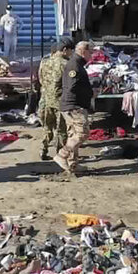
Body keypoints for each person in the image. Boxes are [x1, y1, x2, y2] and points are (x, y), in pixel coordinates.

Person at [54, 41, 94, 175]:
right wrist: (90, 93)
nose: (92, 55)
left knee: (72, 134)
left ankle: (73, 165)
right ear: (83, 51)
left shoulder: (76, 64)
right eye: (91, 52)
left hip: (71, 105)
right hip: (74, 106)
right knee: (82, 133)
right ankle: (62, 155)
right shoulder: (75, 65)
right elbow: (72, 86)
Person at [38, 38, 74, 161]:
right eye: (70, 51)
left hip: (46, 100)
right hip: (60, 101)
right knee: (62, 130)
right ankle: (60, 154)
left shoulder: (44, 62)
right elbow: (70, 84)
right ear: (64, 50)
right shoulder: (67, 64)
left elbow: (40, 79)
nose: (71, 54)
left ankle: (43, 150)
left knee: (47, 127)